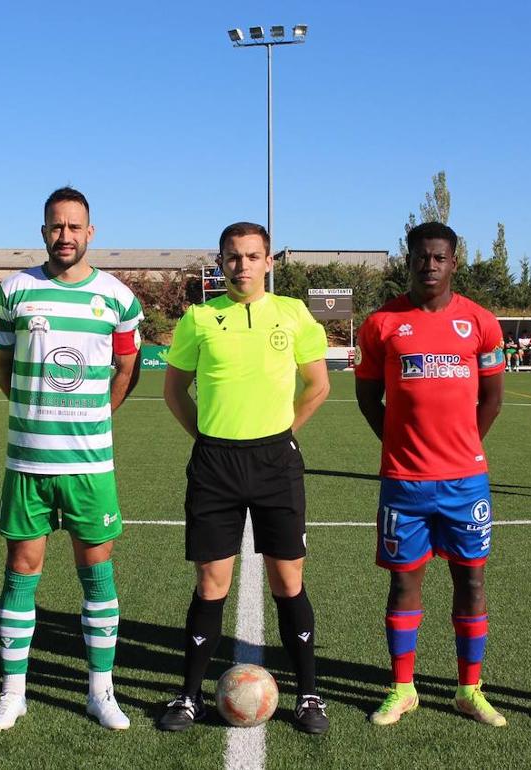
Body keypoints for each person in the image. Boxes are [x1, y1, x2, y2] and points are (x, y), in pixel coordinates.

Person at [0, 187, 143, 732]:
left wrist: (95, 416)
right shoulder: (14, 291)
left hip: (90, 464)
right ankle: (12, 692)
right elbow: (1, 365)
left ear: (90, 232)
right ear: (43, 230)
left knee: (97, 574)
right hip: (28, 461)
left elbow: (125, 372)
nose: (65, 235)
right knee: (21, 572)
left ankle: (101, 692)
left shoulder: (118, 298)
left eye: (75, 227)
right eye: (56, 226)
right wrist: (33, 407)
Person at [157, 221, 331, 734]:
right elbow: (174, 391)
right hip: (215, 464)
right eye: (233, 257)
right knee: (212, 583)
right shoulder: (199, 319)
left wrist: (281, 434)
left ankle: (309, 696)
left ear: (269, 261)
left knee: (288, 580)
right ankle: (189, 697)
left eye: (252, 257)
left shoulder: (293, 314)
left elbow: (317, 386)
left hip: (276, 462)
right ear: (220, 261)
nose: (242, 266)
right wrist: (206, 438)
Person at [354, 221, 507, 728]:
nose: (430, 265)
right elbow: (365, 397)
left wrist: (463, 444)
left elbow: (493, 398)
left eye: (439, 257)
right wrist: (400, 443)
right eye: (421, 257)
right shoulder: (381, 324)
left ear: (453, 263)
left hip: (467, 482)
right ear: (409, 259)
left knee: (472, 580)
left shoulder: (482, 323)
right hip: (405, 481)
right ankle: (403, 689)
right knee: (403, 583)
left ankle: (470, 689)